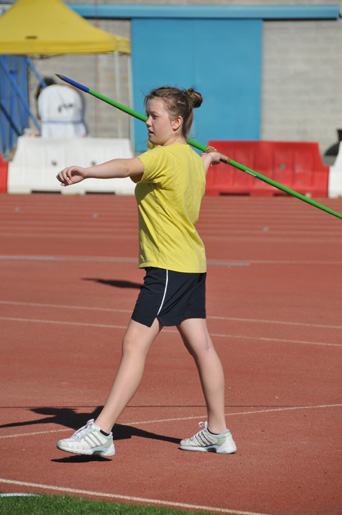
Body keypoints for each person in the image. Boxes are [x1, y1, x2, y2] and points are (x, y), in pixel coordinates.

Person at [56, 86, 236, 456]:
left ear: (176, 121)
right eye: (146, 115)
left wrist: (86, 172)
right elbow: (193, 175)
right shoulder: (189, 157)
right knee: (201, 346)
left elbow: (126, 167)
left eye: (153, 116)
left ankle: (102, 431)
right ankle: (217, 432)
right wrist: (210, 160)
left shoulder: (163, 158)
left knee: (134, 344)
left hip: (168, 267)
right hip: (191, 265)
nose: (147, 122)